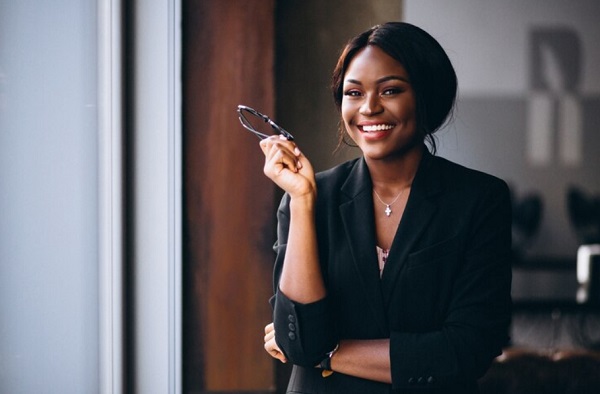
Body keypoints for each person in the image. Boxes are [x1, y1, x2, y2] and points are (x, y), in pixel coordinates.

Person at [260, 22, 512, 393]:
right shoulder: (312, 197)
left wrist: (327, 352)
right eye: (354, 92)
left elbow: (468, 349)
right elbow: (298, 338)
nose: (370, 107)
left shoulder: (479, 199)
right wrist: (301, 200)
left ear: (426, 95)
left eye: (390, 90)